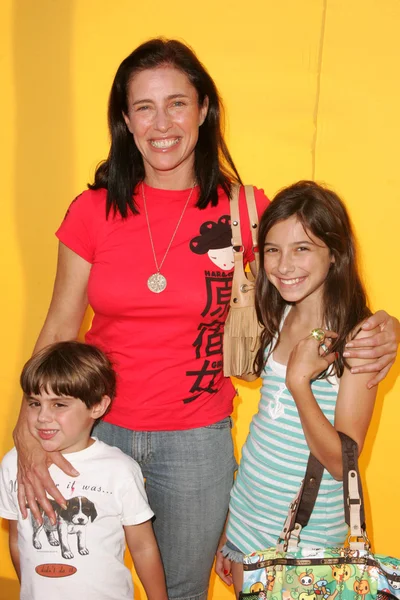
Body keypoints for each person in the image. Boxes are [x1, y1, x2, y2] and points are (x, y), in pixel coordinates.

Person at [11, 39, 399, 600]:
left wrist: (382, 322)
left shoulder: (246, 210)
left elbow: (314, 260)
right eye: (143, 106)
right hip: (95, 432)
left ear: (203, 110)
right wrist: (28, 434)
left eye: (177, 103)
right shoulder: (92, 211)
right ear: (125, 119)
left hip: (196, 443)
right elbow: (56, 333)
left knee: (185, 591)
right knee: (82, 585)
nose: (161, 122)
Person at [215, 181, 383, 597]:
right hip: (246, 522)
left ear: (335, 252)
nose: (283, 265)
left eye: (302, 248)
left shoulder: (358, 342)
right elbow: (266, 429)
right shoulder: (280, 312)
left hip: (305, 541)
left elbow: (342, 463)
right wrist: (228, 530)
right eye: (272, 249)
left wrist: (299, 385)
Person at [0, 341, 167, 600]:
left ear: (97, 407)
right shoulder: (14, 464)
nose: (43, 416)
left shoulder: (119, 469)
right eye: (34, 403)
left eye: (59, 404)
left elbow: (143, 546)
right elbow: (17, 539)